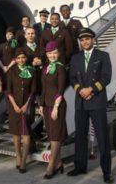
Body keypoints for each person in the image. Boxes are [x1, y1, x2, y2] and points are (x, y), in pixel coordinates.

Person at [68, 28, 113, 183]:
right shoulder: (75, 58)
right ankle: (80, 166)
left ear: (93, 39)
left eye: (87, 39)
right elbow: (72, 79)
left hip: (97, 101)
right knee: (80, 136)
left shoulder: (103, 56)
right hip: (81, 102)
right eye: (82, 40)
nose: (85, 42)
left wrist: (91, 89)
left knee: (102, 137)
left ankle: (106, 171)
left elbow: (106, 77)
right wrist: (80, 90)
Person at [39, 41, 68, 179]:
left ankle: (51, 166)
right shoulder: (45, 68)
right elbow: (43, 89)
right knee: (52, 136)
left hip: (57, 106)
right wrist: (41, 105)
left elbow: (60, 90)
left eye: (55, 53)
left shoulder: (60, 68)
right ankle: (59, 163)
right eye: (50, 53)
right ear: (47, 54)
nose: (52, 55)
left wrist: (56, 108)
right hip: (47, 106)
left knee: (56, 137)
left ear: (59, 54)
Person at [7, 48, 36, 173]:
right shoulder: (11, 71)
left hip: (27, 106)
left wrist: (26, 105)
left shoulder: (32, 71)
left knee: (26, 133)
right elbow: (8, 90)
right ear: (15, 59)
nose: (21, 60)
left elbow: (33, 90)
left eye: (23, 57)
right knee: (16, 133)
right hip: (14, 106)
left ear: (26, 58)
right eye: (18, 58)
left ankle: (24, 160)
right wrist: (14, 106)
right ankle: (18, 157)